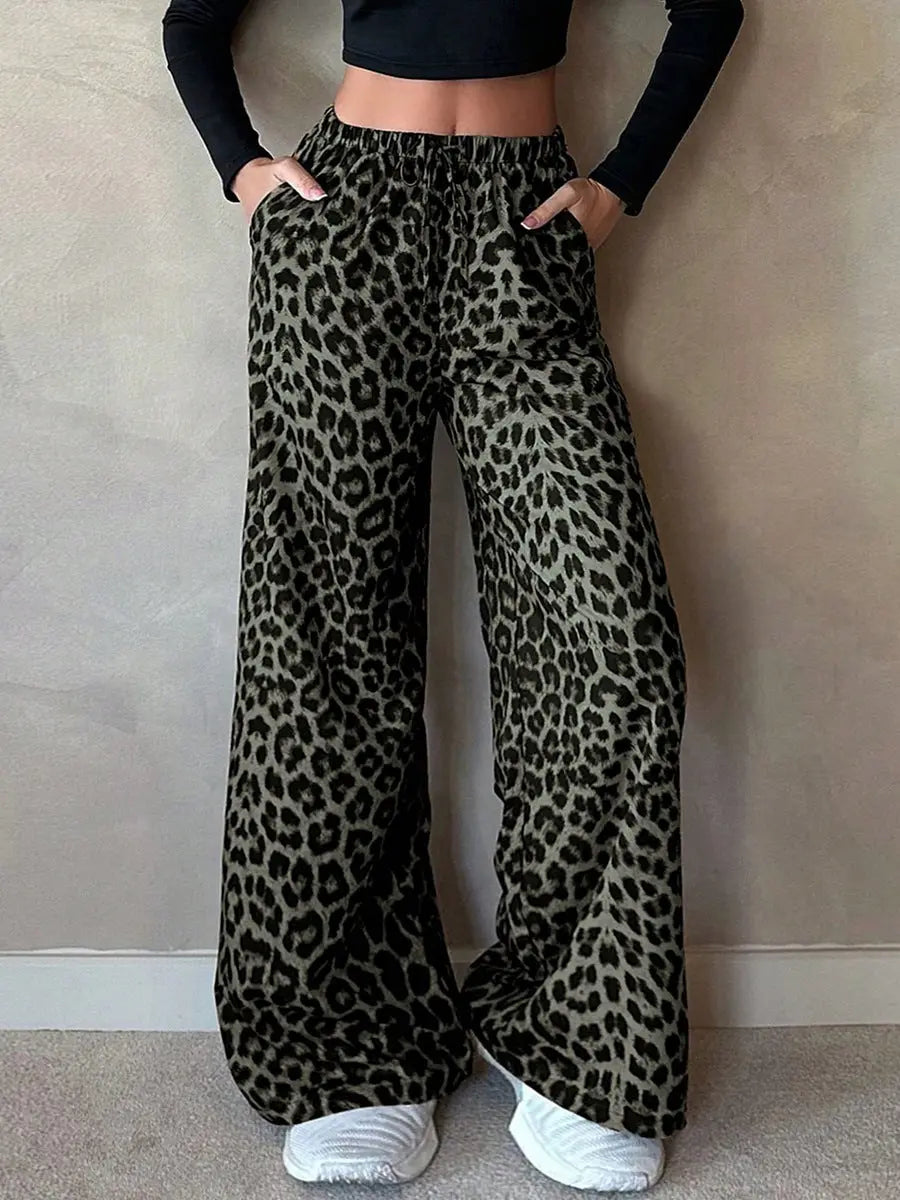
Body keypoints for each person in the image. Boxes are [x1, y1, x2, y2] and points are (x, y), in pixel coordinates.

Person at [161, 0, 743, 1191]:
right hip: (344, 224)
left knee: (613, 645)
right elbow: (193, 23)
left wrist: (618, 186)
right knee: (324, 650)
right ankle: (350, 1046)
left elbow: (708, 10)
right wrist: (247, 174)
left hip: (525, 225)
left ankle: (578, 1038)